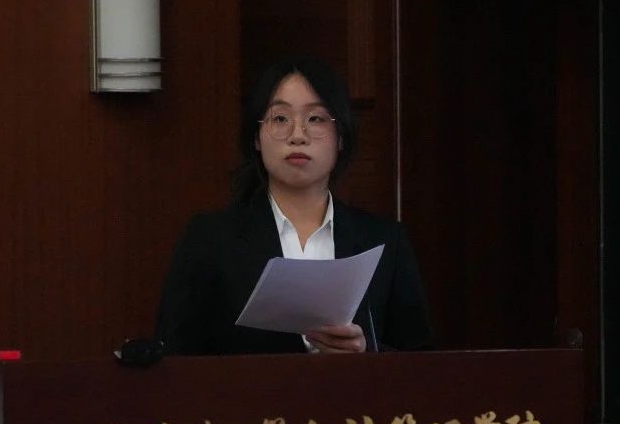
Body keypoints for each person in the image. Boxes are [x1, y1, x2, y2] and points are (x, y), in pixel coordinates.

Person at [155, 57, 434, 355]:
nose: (297, 135)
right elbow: (175, 359)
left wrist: (366, 354)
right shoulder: (210, 239)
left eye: (315, 119)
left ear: (340, 137)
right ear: (256, 137)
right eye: (280, 119)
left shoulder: (383, 240)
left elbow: (422, 362)